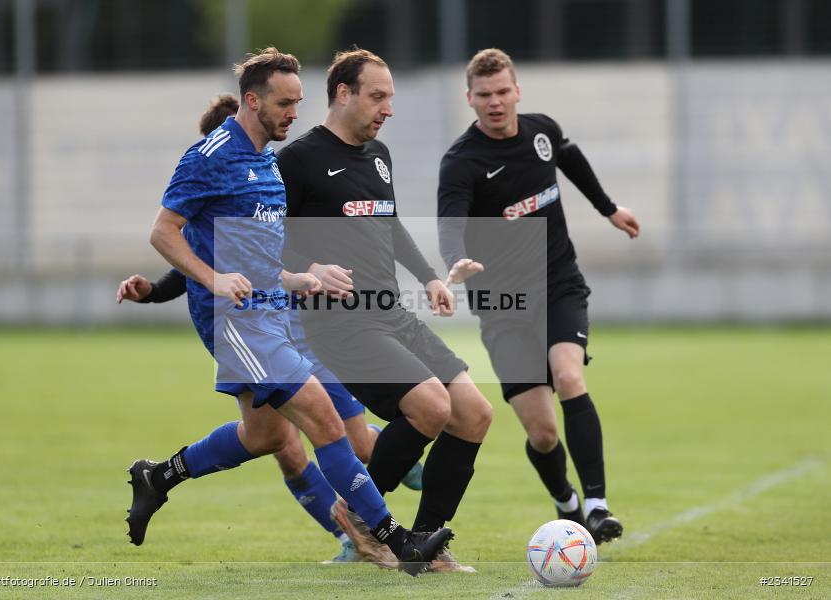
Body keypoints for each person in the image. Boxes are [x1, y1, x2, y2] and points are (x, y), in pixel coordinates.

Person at [125, 47, 452, 576]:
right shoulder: (211, 155)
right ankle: (398, 539)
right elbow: (164, 232)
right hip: (236, 321)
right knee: (326, 421)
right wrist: (209, 280)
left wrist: (300, 276)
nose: (294, 114)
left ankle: (158, 477)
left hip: (273, 312)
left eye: (299, 103)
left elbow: (253, 250)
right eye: (285, 104)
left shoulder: (264, 163)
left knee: (265, 436)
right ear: (252, 101)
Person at [279, 48, 493, 572]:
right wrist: (310, 268)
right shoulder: (297, 160)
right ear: (343, 94)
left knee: (473, 413)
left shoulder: (379, 155)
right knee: (430, 407)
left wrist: (428, 278)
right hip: (338, 323)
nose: (388, 108)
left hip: (391, 312)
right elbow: (264, 241)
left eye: (391, 98)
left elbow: (390, 226)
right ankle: (357, 514)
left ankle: (426, 545)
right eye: (378, 97)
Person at [437, 48, 640, 544]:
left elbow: (569, 157)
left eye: (503, 92)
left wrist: (608, 209)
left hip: (558, 283)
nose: (495, 102)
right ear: (470, 99)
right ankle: (567, 501)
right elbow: (451, 220)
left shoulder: (541, 130)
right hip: (504, 305)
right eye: (484, 95)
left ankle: (596, 506)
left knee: (569, 374)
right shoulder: (463, 162)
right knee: (543, 433)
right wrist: (455, 261)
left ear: (517, 91)